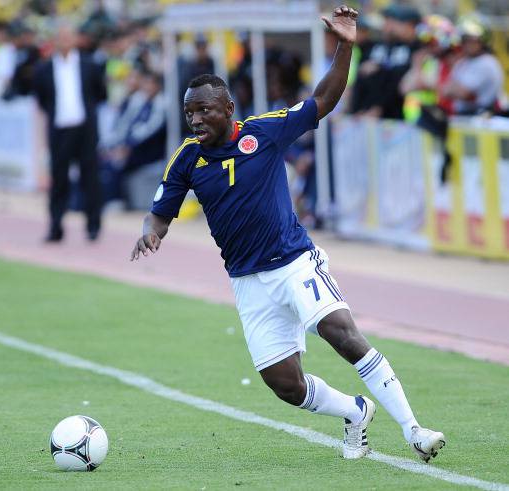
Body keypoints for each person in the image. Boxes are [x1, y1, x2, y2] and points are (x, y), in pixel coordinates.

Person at [130, 6, 446, 462]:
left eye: (204, 110)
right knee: (285, 384)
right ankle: (356, 411)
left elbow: (323, 99)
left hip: (295, 262)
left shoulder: (264, 132)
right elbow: (160, 211)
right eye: (189, 112)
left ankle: (414, 429)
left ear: (228, 109)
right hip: (247, 280)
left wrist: (345, 46)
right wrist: (151, 232)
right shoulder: (187, 158)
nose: (195, 120)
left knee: (341, 333)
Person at [34, 23, 107, 242]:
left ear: (75, 39)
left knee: (90, 178)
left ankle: (93, 226)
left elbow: (100, 94)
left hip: (85, 130)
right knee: (58, 180)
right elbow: (42, 100)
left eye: (68, 37)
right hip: (59, 131)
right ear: (55, 40)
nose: (65, 41)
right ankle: (56, 226)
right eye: (61, 37)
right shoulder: (44, 69)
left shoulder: (89, 65)